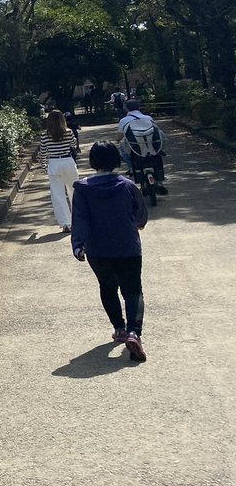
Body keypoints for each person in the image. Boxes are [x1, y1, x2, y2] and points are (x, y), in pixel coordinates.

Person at [71, 141, 148, 362]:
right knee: (133, 290)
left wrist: (78, 245)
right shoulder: (127, 185)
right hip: (128, 246)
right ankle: (134, 333)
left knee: (107, 287)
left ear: (93, 161)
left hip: (98, 249)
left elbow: (80, 218)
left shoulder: (83, 189)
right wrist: (138, 223)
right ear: (116, 160)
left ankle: (119, 329)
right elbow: (141, 214)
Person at [38, 109, 79, 232]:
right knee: (74, 191)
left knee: (58, 195)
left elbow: (42, 153)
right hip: (68, 162)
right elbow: (74, 144)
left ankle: (65, 223)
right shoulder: (68, 132)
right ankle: (77, 220)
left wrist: (44, 166)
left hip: (54, 163)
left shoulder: (45, 136)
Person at [118, 99, 167, 193]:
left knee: (123, 149)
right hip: (151, 148)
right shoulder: (148, 118)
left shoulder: (123, 120)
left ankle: (131, 168)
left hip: (136, 149)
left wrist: (117, 140)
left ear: (126, 108)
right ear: (139, 107)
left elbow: (119, 137)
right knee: (158, 156)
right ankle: (160, 182)